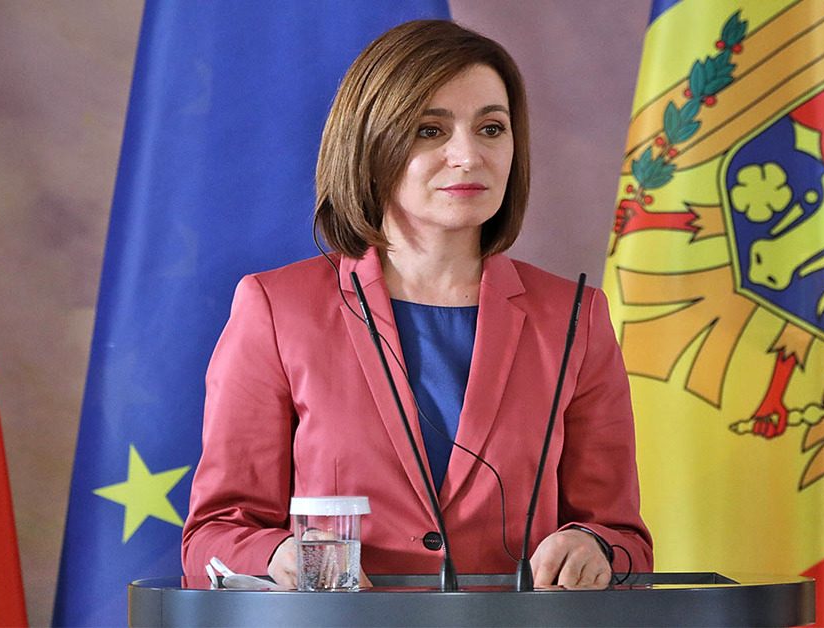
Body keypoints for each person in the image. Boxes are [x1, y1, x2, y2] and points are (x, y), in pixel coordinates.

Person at [181, 19, 652, 589]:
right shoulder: (277, 309)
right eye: (430, 130)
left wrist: (593, 545)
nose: (467, 156)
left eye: (491, 128)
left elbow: (624, 538)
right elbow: (213, 536)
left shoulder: (576, 316)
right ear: (371, 143)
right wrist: (280, 556)